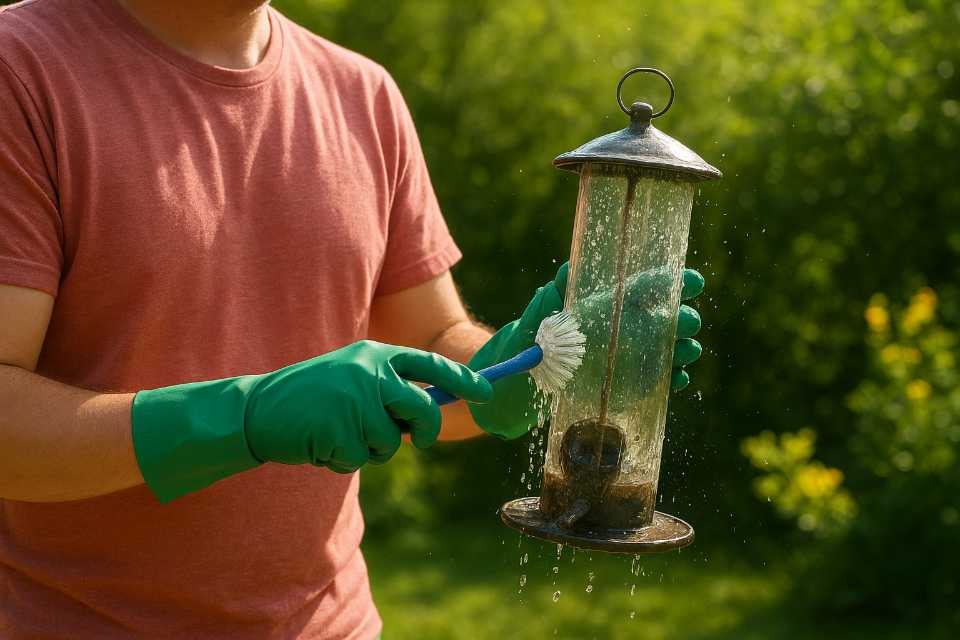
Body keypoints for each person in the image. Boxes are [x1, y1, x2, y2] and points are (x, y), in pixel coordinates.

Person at [0, 0, 704, 637]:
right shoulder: (21, 69)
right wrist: (240, 417)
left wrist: (529, 365)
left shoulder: (362, 95)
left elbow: (429, 341)